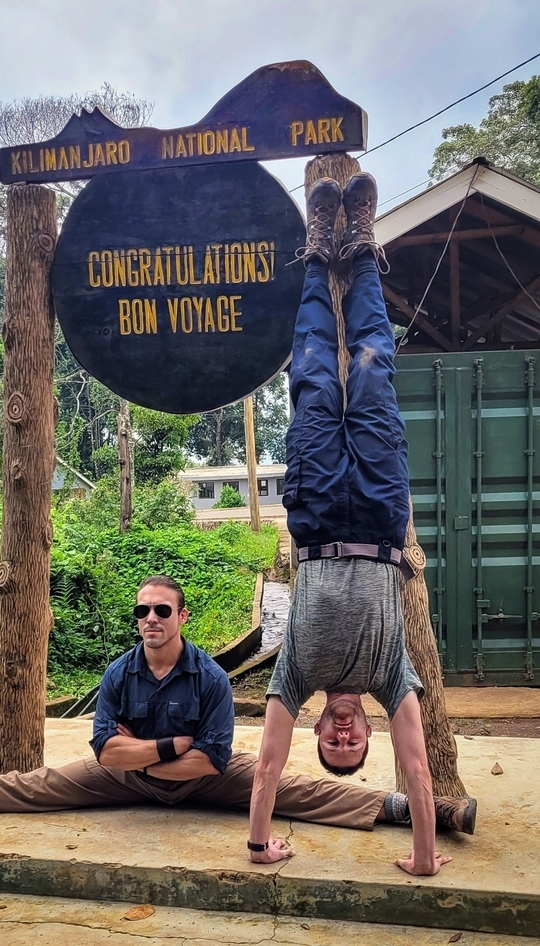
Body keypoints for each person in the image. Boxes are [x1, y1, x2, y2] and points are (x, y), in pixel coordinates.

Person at [0, 575, 474, 860]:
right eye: (142, 611)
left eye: (162, 610)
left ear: (180, 618)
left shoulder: (208, 677)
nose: (151, 619)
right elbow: (107, 756)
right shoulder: (118, 675)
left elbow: (207, 761)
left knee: (293, 791)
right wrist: (166, 748)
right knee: (36, 786)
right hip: (130, 780)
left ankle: (417, 810)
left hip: (207, 781)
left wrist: (144, 748)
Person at [248, 172, 468, 875]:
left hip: (313, 514)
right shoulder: (390, 677)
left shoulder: (294, 674)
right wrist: (424, 858)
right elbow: (420, 768)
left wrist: (259, 845)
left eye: (332, 742)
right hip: (377, 512)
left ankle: (319, 251)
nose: (343, 732)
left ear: (316, 726)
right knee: (371, 369)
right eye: (352, 743)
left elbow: (266, 770)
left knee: (312, 372)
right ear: (366, 729)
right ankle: (363, 244)